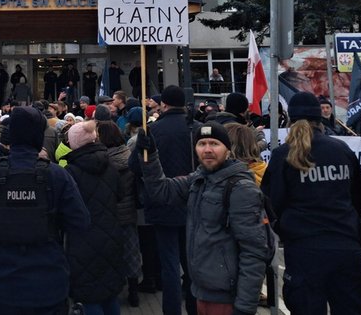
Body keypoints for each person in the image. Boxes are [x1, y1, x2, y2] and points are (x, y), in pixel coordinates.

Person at [0, 106, 90, 314]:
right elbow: (81, 222)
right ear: (39, 136)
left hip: (3, 282)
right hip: (50, 281)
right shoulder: (57, 176)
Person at [135, 120, 268, 315]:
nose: (207, 149)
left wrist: (244, 307)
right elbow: (162, 191)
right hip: (200, 293)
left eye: (214, 143)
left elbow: (254, 252)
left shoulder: (241, 189)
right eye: (202, 144)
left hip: (227, 299)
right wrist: (150, 156)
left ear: (228, 150)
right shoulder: (198, 179)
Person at [261, 92, 361, 314]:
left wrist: (283, 226)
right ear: (320, 118)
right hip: (345, 244)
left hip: (304, 249)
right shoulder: (341, 149)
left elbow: (272, 201)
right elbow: (357, 197)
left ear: (290, 120)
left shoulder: (283, 154)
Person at [130, 85, 199, 315]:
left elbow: (134, 166)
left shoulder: (152, 131)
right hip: (193, 204)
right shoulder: (197, 129)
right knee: (192, 263)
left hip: (162, 205)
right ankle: (194, 308)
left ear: (164, 104)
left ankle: (171, 310)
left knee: (169, 265)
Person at [64, 120, 124, 314]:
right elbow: (120, 195)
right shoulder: (110, 165)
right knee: (110, 292)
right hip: (112, 234)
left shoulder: (70, 172)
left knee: (89, 295)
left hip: (83, 240)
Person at [98, 120, 141, 307]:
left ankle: (113, 290)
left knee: (110, 253)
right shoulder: (129, 156)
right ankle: (134, 291)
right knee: (131, 252)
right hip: (129, 211)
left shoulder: (101, 161)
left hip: (109, 213)